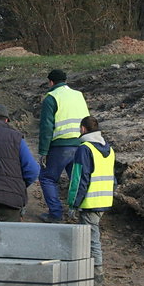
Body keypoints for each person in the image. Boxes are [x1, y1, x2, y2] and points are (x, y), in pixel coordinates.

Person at [66, 116, 115, 286]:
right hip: (104, 200)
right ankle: (93, 279)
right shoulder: (108, 149)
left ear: (83, 129)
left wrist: (73, 203)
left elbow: (79, 179)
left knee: (92, 241)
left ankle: (96, 281)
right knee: (92, 239)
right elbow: (112, 178)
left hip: (90, 202)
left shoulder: (84, 149)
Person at [37, 68, 90, 222]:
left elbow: (46, 127)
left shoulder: (51, 98)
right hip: (81, 144)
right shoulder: (78, 95)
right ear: (65, 81)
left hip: (60, 146)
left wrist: (43, 151)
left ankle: (55, 214)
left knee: (47, 178)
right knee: (77, 179)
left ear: (51, 82)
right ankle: (79, 212)